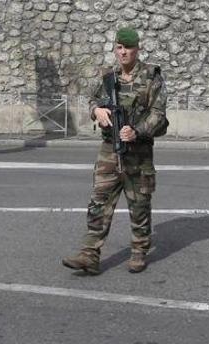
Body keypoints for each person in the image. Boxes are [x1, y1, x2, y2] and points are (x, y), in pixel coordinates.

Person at [62, 27, 167, 275]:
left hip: (138, 153)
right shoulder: (110, 77)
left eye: (128, 48)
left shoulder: (152, 77)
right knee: (99, 201)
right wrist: (96, 111)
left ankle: (139, 250)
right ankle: (89, 254)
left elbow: (159, 117)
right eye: (119, 48)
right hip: (109, 150)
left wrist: (137, 131)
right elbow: (93, 101)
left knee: (139, 205)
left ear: (137, 49)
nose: (123, 53)